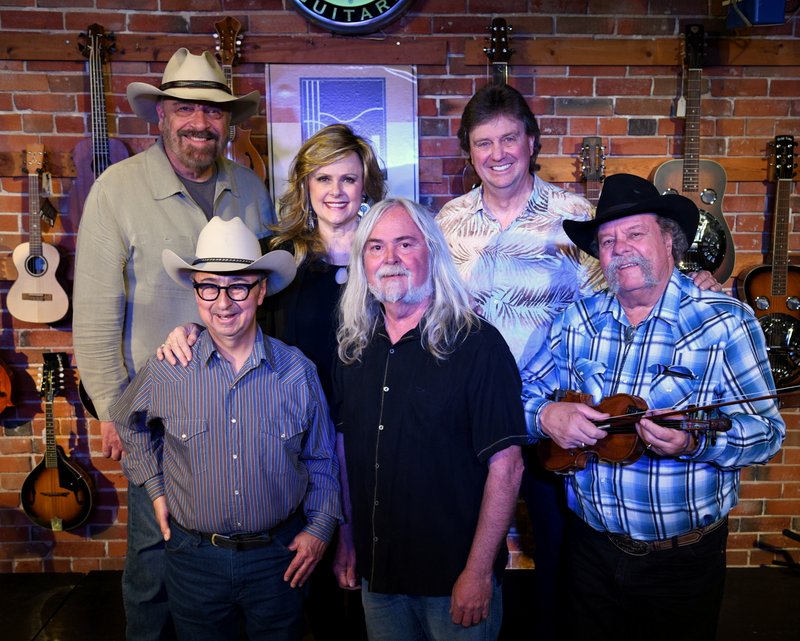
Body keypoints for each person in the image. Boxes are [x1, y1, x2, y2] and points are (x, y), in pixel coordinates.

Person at [435, 83, 721, 638]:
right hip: (471, 418)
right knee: (470, 549)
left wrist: (695, 281)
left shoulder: (573, 218)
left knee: (564, 559)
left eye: (509, 139)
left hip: (561, 417)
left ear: (532, 141)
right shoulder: (446, 224)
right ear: (468, 152)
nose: (497, 154)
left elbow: (628, 284)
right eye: (483, 142)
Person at [524, 173, 785, 640]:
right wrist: (545, 415)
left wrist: (694, 440)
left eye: (634, 234)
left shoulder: (724, 322)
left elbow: (767, 433)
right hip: (588, 551)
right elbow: (520, 394)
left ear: (670, 242)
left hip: (681, 564)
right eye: (607, 240)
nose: (619, 248)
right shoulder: (575, 321)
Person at [72, 48, 276, 641]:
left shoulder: (249, 186)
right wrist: (115, 409)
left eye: (213, 112)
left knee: (230, 561)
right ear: (160, 114)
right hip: (157, 413)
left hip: (244, 406)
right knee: (155, 561)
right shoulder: (118, 190)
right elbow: (93, 317)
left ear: (228, 122)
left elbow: (266, 293)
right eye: (186, 107)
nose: (199, 123)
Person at [159, 123, 386, 641]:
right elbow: (228, 312)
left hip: (373, 436)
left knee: (372, 575)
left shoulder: (386, 254)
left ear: (366, 184)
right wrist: (189, 330)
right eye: (323, 178)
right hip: (294, 439)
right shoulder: (278, 257)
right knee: (306, 583)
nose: (336, 191)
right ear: (304, 185)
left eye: (349, 179)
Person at [111, 216, 341, 641]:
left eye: (238, 286)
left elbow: (321, 459)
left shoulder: (297, 373)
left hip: (279, 559)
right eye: (209, 286)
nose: (223, 302)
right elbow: (127, 421)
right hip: (193, 559)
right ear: (196, 290)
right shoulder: (168, 370)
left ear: (260, 290)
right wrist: (156, 490)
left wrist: (319, 528)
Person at [332, 198, 528, 641]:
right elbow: (345, 452)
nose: (391, 259)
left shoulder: (478, 346)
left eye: (406, 244)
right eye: (376, 248)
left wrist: (478, 572)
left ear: (432, 252)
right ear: (363, 262)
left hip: (453, 582)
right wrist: (346, 538)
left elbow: (508, 466)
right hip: (378, 578)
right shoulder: (353, 348)